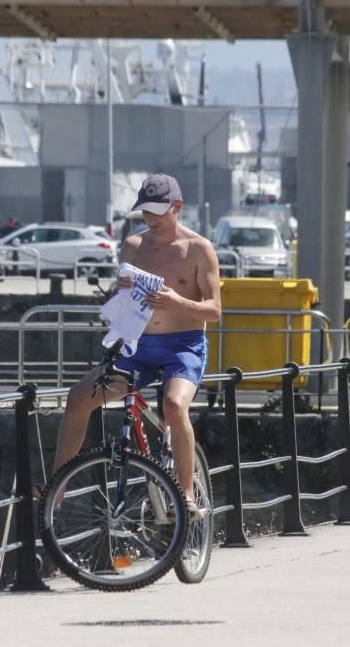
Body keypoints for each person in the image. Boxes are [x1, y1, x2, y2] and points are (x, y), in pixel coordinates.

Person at [51, 173, 221, 513]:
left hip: (184, 346)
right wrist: (112, 303)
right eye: (145, 211)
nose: (152, 218)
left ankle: (186, 493)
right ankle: (58, 486)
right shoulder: (133, 245)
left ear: (177, 207)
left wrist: (178, 302)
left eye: (159, 210)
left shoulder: (199, 249)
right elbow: (126, 295)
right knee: (79, 396)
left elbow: (215, 310)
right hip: (137, 345)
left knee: (174, 406)